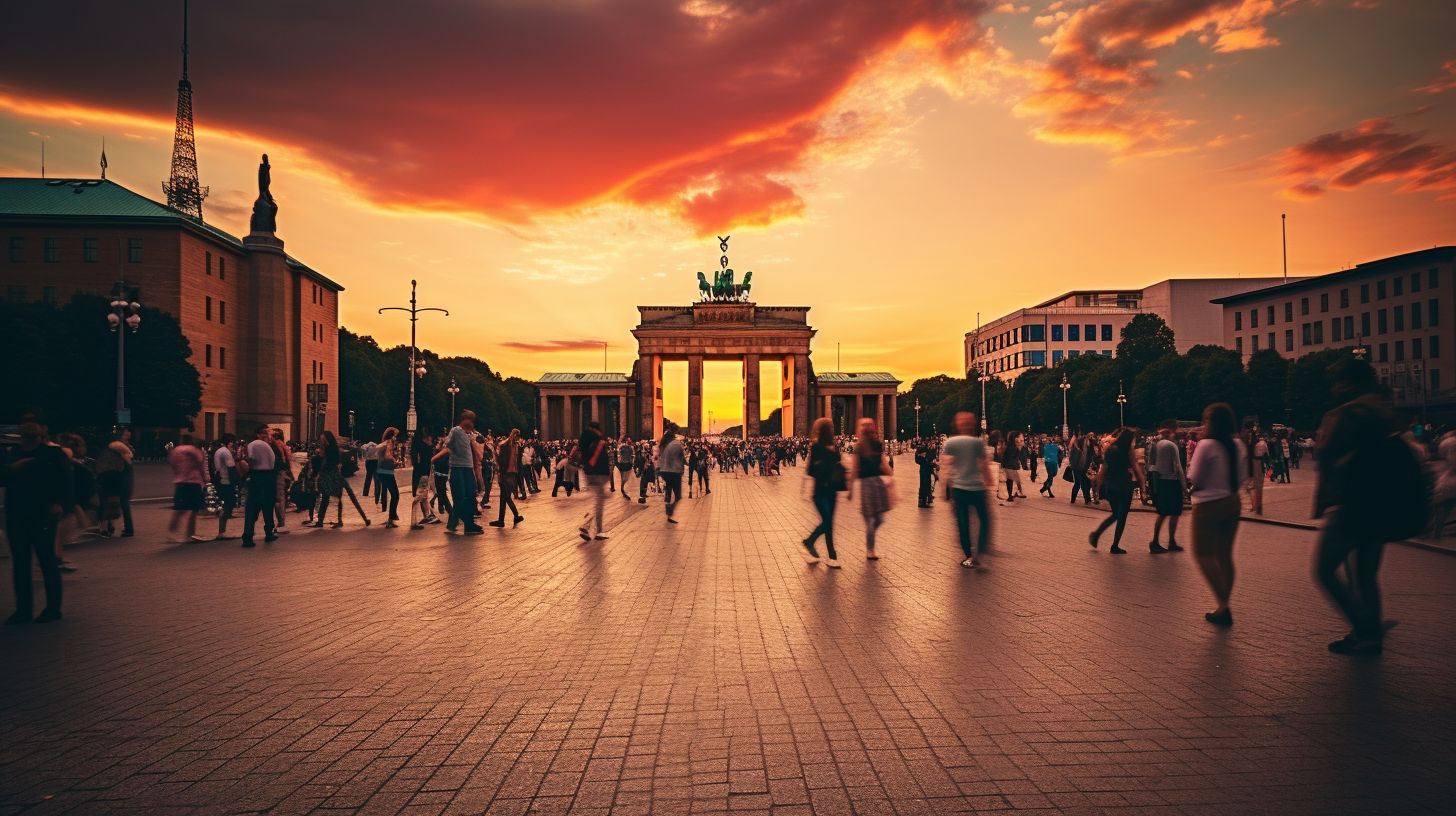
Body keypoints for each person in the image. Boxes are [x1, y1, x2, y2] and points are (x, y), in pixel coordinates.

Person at [1314, 359, 1400, 655]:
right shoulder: (1384, 413)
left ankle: (1363, 627)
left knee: (1324, 569)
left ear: (1349, 383)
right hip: (1380, 504)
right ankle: (1370, 636)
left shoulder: (1347, 415)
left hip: (1349, 503)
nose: (1335, 387)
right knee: (1364, 575)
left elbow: (1325, 453)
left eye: (1338, 381)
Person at [3, 419, 71, 624]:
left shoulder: (52, 454)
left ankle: (52, 608)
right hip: (16, 513)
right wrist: (13, 468)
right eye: (25, 421)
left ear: (43, 429)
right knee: (21, 563)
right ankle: (23, 610)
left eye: (34, 422)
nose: (29, 425)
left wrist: (59, 504)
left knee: (46, 560)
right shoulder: (11, 453)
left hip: (42, 513)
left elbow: (65, 482)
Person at [1189, 403, 1246, 627]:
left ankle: (1224, 605)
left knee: (1203, 554)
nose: (1204, 424)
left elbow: (1196, 477)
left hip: (1207, 504)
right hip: (1233, 501)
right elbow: (1242, 476)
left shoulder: (1206, 445)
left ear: (1213, 423)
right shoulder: (1238, 445)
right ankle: (1224, 604)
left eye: (1206, 420)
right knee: (1224, 555)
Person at [940, 411, 993, 568]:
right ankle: (980, 553)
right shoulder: (978, 443)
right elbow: (984, 465)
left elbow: (946, 467)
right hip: (978, 488)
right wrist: (990, 484)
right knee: (985, 521)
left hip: (959, 489)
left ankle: (969, 555)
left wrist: (944, 490)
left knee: (963, 524)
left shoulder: (951, 443)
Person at [802, 418, 845, 567]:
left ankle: (825, 553)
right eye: (830, 428)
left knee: (829, 524)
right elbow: (811, 470)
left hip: (831, 490)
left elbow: (838, 463)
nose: (832, 430)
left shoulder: (834, 447)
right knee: (827, 522)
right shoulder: (816, 447)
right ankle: (828, 553)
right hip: (819, 491)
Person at [848, 418, 890, 559]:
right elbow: (855, 469)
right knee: (873, 519)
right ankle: (870, 550)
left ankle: (870, 542)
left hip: (875, 483)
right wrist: (851, 489)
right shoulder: (859, 447)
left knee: (877, 518)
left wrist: (851, 489)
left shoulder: (876, 444)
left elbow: (882, 463)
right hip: (869, 483)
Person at [1089, 428, 1136, 554]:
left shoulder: (1110, 450)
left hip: (1111, 486)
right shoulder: (1128, 451)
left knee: (1115, 514)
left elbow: (1103, 470)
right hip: (1125, 485)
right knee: (1122, 516)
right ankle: (1115, 545)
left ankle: (1097, 534)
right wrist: (1142, 487)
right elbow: (1136, 468)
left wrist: (1098, 488)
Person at [438, 411, 484, 534]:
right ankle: (463, 524)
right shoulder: (456, 431)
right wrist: (436, 457)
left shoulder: (469, 435)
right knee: (460, 498)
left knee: (470, 496)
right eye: (470, 420)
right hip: (457, 468)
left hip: (468, 468)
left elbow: (475, 454)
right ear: (465, 420)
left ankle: (466, 525)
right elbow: (447, 446)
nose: (472, 424)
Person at [1147, 420, 1186, 553]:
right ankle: (1171, 541)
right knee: (1174, 513)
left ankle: (1155, 541)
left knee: (1162, 513)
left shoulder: (1156, 444)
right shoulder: (1171, 445)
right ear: (1172, 430)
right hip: (1172, 481)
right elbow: (1178, 466)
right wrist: (1184, 485)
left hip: (1160, 480)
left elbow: (1151, 464)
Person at [240, 426, 279, 548]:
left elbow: (250, 459)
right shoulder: (266, 446)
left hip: (257, 475)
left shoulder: (253, 444)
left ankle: (248, 535)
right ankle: (268, 532)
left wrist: (248, 469)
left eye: (266, 433)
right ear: (257, 434)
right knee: (268, 506)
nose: (265, 436)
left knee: (252, 507)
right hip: (269, 476)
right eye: (263, 433)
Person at [167, 434, 209, 543]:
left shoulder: (175, 451)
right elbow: (200, 464)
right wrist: (205, 479)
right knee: (194, 509)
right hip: (193, 482)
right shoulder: (193, 450)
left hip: (180, 482)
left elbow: (172, 464)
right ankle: (190, 534)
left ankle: (171, 533)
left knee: (179, 509)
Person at [577, 421, 613, 540]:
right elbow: (602, 458)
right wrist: (607, 475)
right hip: (599, 473)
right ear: (596, 429)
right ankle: (593, 529)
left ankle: (588, 530)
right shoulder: (599, 440)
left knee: (595, 500)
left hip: (588, 472)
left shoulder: (584, 438)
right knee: (598, 503)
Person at [492, 429, 525, 528]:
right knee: (504, 497)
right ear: (513, 435)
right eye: (517, 435)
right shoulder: (509, 446)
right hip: (508, 474)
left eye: (518, 436)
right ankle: (506, 518)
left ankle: (509, 518)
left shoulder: (513, 446)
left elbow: (510, 462)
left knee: (505, 497)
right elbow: (505, 461)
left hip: (509, 474)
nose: (518, 438)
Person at [212, 434, 240, 540]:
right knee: (229, 504)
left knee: (227, 504)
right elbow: (231, 468)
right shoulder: (225, 451)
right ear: (229, 442)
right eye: (232, 442)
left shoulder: (218, 451)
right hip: (226, 481)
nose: (233, 444)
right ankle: (221, 531)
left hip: (221, 480)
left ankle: (222, 530)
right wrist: (236, 482)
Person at [657, 428, 686, 524]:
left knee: (668, 491)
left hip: (665, 471)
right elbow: (682, 458)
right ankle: (670, 510)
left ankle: (668, 507)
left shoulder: (662, 445)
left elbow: (659, 458)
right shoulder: (677, 444)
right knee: (678, 496)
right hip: (674, 472)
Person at [376, 428, 402, 527]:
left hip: (383, 471)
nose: (396, 437)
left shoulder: (385, 442)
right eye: (395, 435)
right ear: (391, 435)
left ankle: (391, 518)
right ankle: (391, 520)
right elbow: (387, 455)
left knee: (394, 494)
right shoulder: (390, 442)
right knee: (395, 495)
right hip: (386, 472)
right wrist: (395, 461)